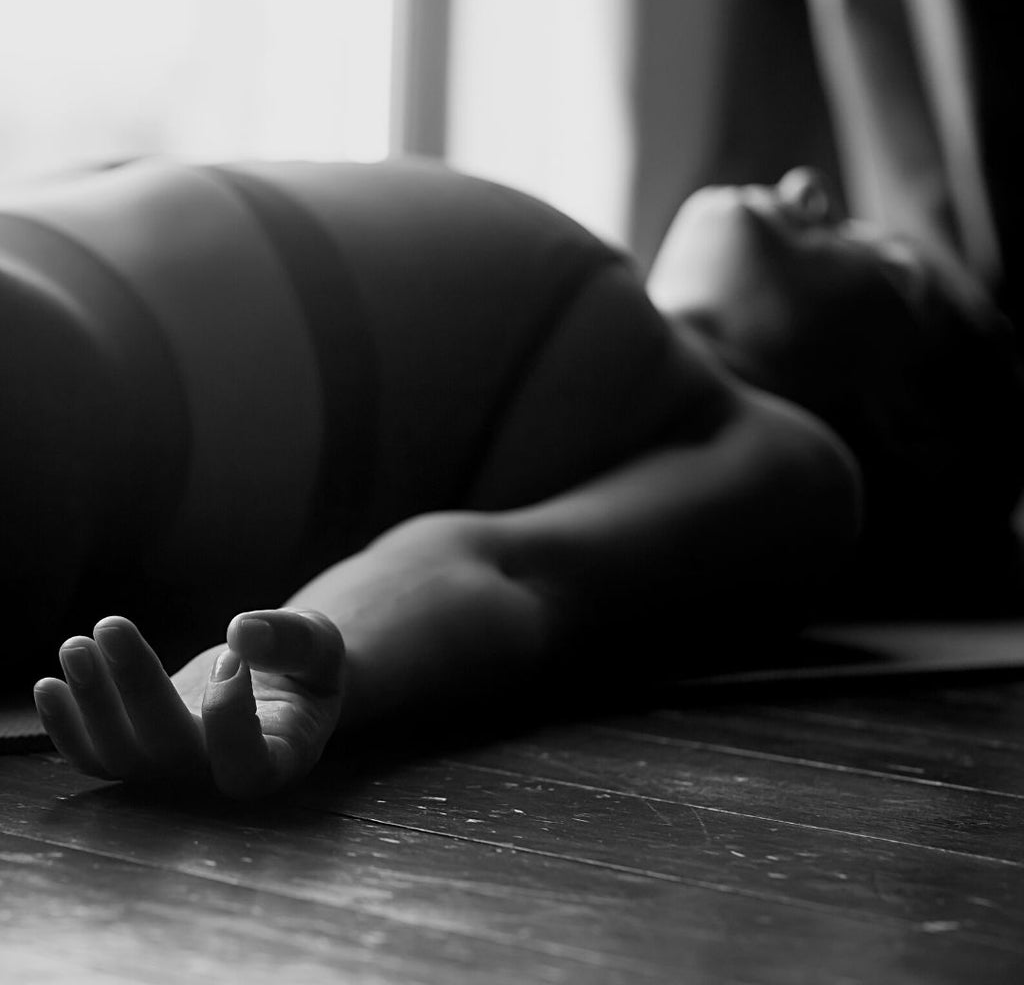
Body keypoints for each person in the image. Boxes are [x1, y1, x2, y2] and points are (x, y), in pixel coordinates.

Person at [3, 158, 1020, 799]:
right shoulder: (619, 331)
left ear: (907, 425)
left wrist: (303, 670)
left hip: (46, 394)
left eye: (882, 262)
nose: (809, 185)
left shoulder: (790, 459)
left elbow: (507, 573)